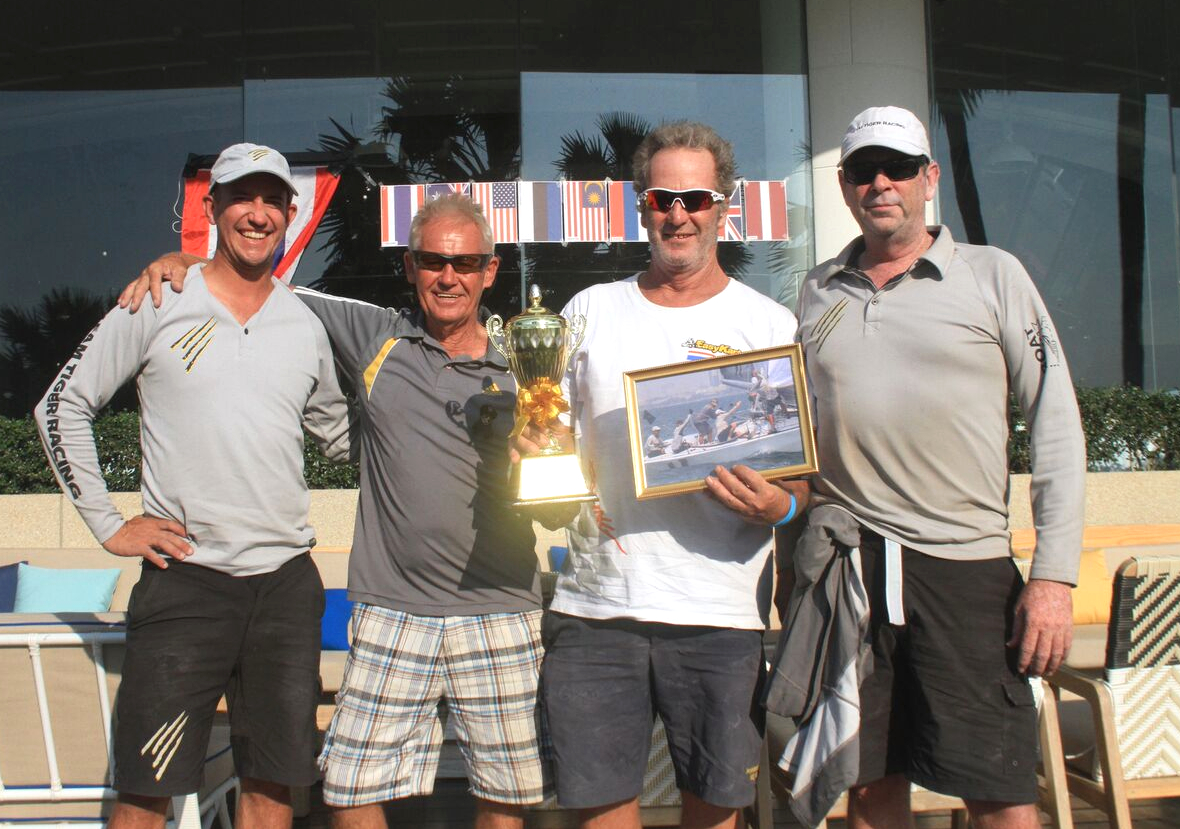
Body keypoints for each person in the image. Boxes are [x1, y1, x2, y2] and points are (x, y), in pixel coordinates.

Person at [120, 195, 552, 829]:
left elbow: (562, 512)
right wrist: (187, 261)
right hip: (390, 609)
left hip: (501, 606)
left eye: (466, 263)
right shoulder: (377, 336)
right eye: (433, 260)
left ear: (491, 271)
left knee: (503, 800)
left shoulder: (530, 366)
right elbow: (264, 282)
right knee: (347, 791)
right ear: (410, 266)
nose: (448, 277)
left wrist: (539, 469)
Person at [35, 143, 351, 829]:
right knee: (147, 795)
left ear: (290, 215)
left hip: (285, 585)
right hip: (186, 583)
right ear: (213, 208)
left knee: (271, 792)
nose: (257, 213)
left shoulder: (306, 324)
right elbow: (60, 405)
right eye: (242, 196)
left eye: (272, 200)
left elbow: (343, 438)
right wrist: (108, 522)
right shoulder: (158, 298)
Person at [791, 106, 1085, 829]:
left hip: (965, 567)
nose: (880, 183)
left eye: (896, 167)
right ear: (844, 184)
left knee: (997, 787)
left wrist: (1053, 575)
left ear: (929, 178)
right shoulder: (815, 290)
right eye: (864, 170)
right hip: (850, 566)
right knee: (867, 781)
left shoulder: (994, 276)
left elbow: (1055, 422)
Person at [515, 121, 808, 829]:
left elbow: (798, 486)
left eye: (696, 197)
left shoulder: (768, 325)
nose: (678, 213)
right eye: (662, 197)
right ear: (639, 204)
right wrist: (538, 463)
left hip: (719, 614)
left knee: (716, 816)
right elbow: (560, 479)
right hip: (596, 610)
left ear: (724, 206)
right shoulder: (586, 315)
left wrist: (780, 505)